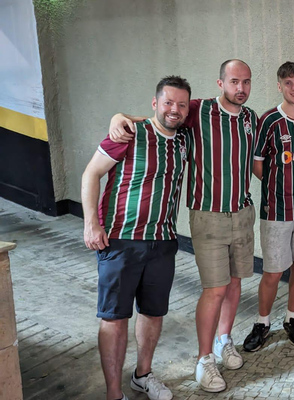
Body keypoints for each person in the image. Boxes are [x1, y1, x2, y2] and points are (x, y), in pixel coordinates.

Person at [109, 60, 258, 393]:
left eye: (246, 82)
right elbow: (163, 116)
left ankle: (223, 341)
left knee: (234, 285)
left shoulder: (250, 118)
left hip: (243, 213)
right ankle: (204, 360)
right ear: (220, 84)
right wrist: (120, 118)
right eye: (234, 81)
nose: (241, 88)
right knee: (215, 289)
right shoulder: (198, 110)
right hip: (209, 216)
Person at [82, 76, 191, 400]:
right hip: (120, 242)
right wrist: (91, 223)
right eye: (168, 102)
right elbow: (92, 173)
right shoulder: (130, 133)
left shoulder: (183, 140)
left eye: (181, 104)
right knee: (114, 319)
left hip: (163, 242)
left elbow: (177, 118)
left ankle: (143, 375)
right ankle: (114, 394)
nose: (175, 109)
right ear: (155, 103)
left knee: (153, 313)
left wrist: (123, 114)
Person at [243, 61, 294, 352]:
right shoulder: (269, 120)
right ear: (280, 86)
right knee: (273, 271)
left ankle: (292, 318)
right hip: (276, 212)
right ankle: (263, 323)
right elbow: (257, 164)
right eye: (288, 83)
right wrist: (280, 185)